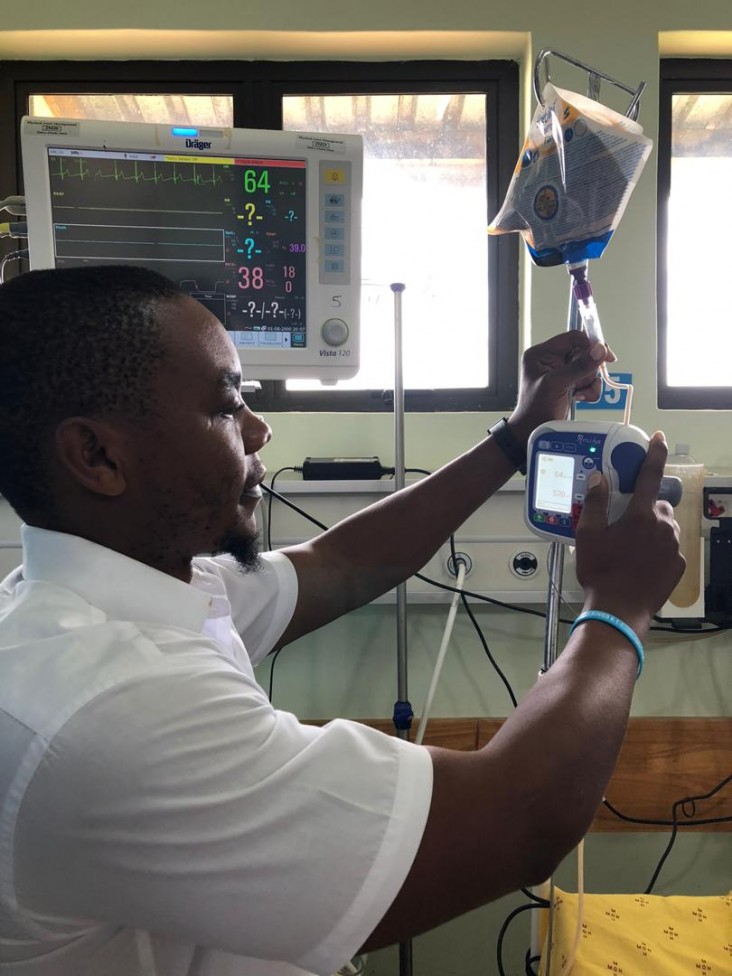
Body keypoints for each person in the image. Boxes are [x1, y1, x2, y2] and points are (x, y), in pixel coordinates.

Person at [0, 265, 683, 976]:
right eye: (226, 407)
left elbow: (339, 561)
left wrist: (518, 433)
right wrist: (621, 606)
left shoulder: (119, 593)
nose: (258, 429)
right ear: (99, 456)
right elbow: (523, 816)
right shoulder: (109, 711)